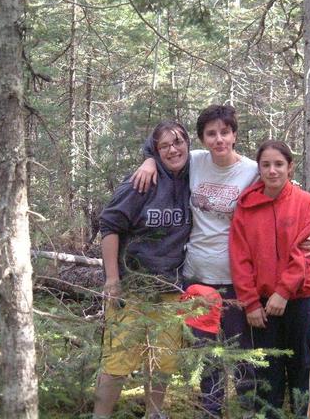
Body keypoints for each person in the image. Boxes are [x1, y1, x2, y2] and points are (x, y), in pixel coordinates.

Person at [132, 105, 310, 418]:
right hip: (197, 276)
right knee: (206, 358)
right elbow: (169, 151)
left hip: (239, 283)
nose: (219, 139)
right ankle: (211, 412)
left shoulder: (251, 170)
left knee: (247, 359)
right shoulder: (194, 162)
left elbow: (284, 192)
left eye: (225, 132)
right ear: (202, 139)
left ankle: (255, 411)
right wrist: (149, 160)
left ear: (235, 135)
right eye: (211, 133)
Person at [93, 120, 192, 419]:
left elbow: (234, 167)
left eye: (178, 142)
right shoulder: (141, 182)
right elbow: (109, 225)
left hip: (172, 288)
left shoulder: (195, 175)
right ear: (155, 149)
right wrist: (112, 279)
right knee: (117, 363)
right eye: (164, 146)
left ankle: (154, 414)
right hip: (133, 289)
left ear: (188, 143)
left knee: (162, 363)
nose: (173, 150)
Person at [229, 140, 310, 419]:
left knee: (302, 367)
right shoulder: (246, 206)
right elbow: (240, 257)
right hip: (261, 305)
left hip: (300, 299)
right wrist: (249, 303)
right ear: (258, 169)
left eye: (279, 164)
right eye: (266, 165)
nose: (272, 171)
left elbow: (302, 254)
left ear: (290, 167)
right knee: (267, 370)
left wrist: (283, 292)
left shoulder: (306, 203)